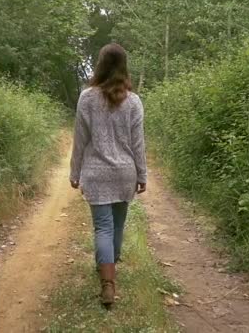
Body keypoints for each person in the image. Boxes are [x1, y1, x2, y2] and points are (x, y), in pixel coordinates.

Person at [69, 43, 147, 307]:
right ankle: (109, 265)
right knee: (117, 226)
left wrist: (74, 171)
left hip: (96, 173)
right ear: (124, 66)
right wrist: (142, 175)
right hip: (125, 173)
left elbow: (80, 140)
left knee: (102, 227)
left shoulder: (87, 98)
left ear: (100, 65)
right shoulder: (134, 101)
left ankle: (107, 282)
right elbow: (138, 144)